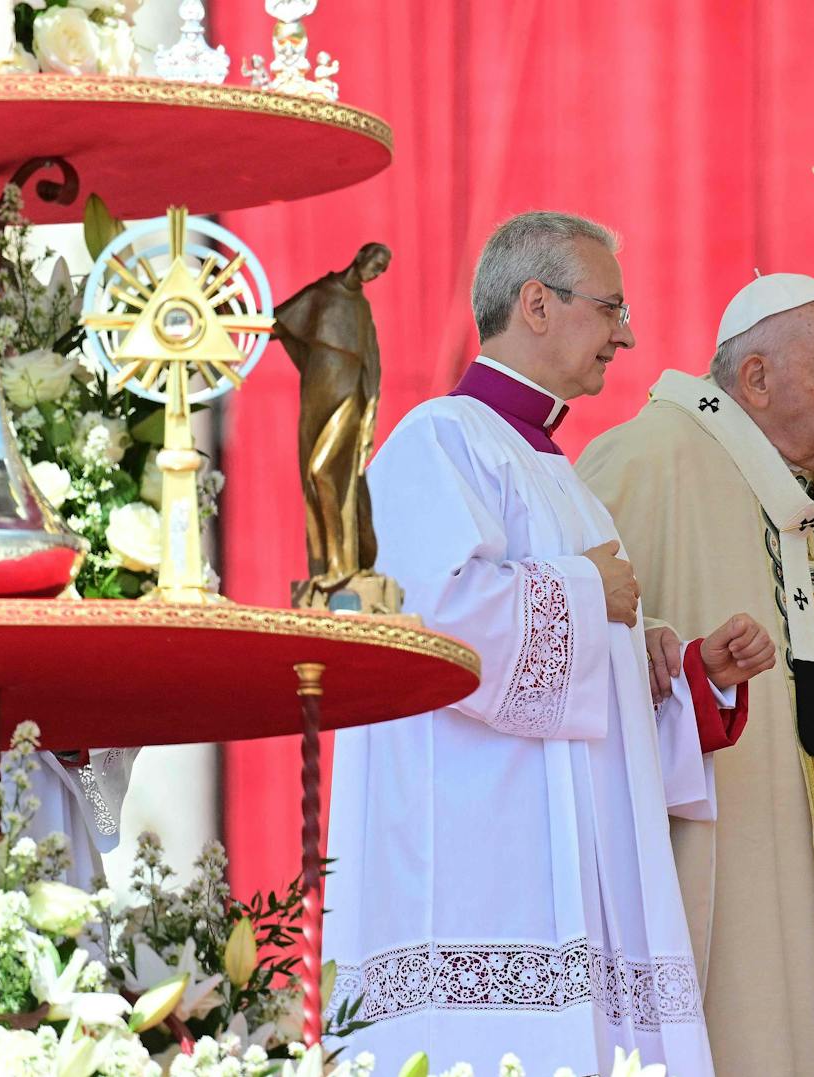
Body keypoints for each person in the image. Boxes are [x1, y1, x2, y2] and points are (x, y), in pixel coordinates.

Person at [324, 212, 774, 1076]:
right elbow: (423, 626)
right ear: (536, 303)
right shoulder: (437, 441)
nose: (627, 334)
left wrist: (681, 675)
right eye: (610, 309)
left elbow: (584, 690)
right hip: (483, 870)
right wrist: (584, 591)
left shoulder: (559, 474)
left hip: (573, 870)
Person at [578, 274, 814, 1077]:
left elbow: (807, 662)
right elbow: (585, 654)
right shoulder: (647, 459)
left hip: (803, 840)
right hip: (710, 846)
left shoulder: (797, 480)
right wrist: (666, 650)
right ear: (756, 379)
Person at [273, 242, 392, 593]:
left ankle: (343, 564)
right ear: (360, 258)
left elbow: (372, 369)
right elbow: (279, 322)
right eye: (375, 264)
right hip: (316, 398)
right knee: (312, 479)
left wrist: (369, 420)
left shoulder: (362, 310)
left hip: (348, 403)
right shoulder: (324, 294)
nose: (376, 272)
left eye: (382, 270)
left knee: (323, 470)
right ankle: (325, 563)